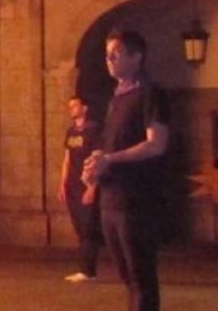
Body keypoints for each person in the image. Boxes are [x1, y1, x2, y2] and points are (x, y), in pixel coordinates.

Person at [83, 30, 169, 311]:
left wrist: (111, 159)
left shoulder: (151, 94)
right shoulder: (116, 97)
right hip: (110, 198)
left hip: (137, 200)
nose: (108, 60)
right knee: (127, 278)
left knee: (140, 277)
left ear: (137, 57)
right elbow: (110, 143)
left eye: (116, 54)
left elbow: (156, 144)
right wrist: (95, 167)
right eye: (107, 54)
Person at [59, 96, 101, 282]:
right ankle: (84, 269)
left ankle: (88, 271)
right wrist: (62, 184)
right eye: (70, 106)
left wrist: (92, 187)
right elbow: (67, 159)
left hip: (86, 184)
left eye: (75, 106)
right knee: (79, 227)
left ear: (84, 108)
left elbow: (97, 158)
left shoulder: (93, 130)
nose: (72, 109)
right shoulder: (70, 132)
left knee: (88, 227)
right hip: (72, 186)